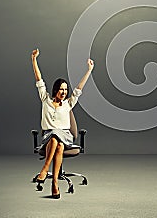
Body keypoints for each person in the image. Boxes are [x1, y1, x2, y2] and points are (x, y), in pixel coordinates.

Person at [31, 48, 94, 199]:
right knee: (55, 140)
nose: (64, 92)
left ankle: (45, 169)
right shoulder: (45, 99)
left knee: (57, 137)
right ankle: (54, 183)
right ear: (55, 90)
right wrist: (34, 60)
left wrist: (89, 70)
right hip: (49, 137)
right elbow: (39, 80)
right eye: (61, 89)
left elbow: (79, 88)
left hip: (65, 136)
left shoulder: (68, 103)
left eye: (66, 90)